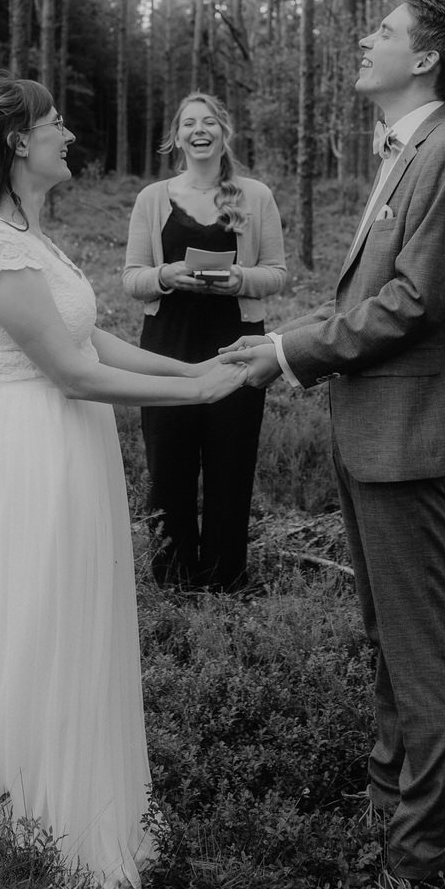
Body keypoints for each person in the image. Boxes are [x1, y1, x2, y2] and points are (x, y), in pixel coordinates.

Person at [0, 75, 246, 889]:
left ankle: (57, 780)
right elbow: (69, 371)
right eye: (54, 122)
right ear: (18, 142)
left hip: (67, 435)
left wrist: (195, 368)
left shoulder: (31, 232)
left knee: (69, 608)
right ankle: (28, 805)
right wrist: (194, 396)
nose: (66, 133)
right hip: (34, 441)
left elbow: (90, 337)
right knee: (37, 608)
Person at [221, 0, 445, 889]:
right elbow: (362, 299)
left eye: (383, 31)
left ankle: (418, 862)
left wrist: (289, 356)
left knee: (419, 647)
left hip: (404, 432)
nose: (363, 37)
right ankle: (388, 795)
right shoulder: (408, 148)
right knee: (385, 629)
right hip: (371, 422)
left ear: (424, 61)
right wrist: (279, 340)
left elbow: (413, 303)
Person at [123, 93, 286, 592]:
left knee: (230, 463)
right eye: (189, 123)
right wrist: (167, 275)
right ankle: (173, 582)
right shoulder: (153, 198)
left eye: (209, 122)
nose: (200, 130)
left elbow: (277, 273)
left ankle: (225, 580)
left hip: (236, 342)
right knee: (168, 462)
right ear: (176, 136)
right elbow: (132, 279)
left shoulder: (254, 195)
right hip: (166, 344)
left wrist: (238, 279)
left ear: (223, 133)